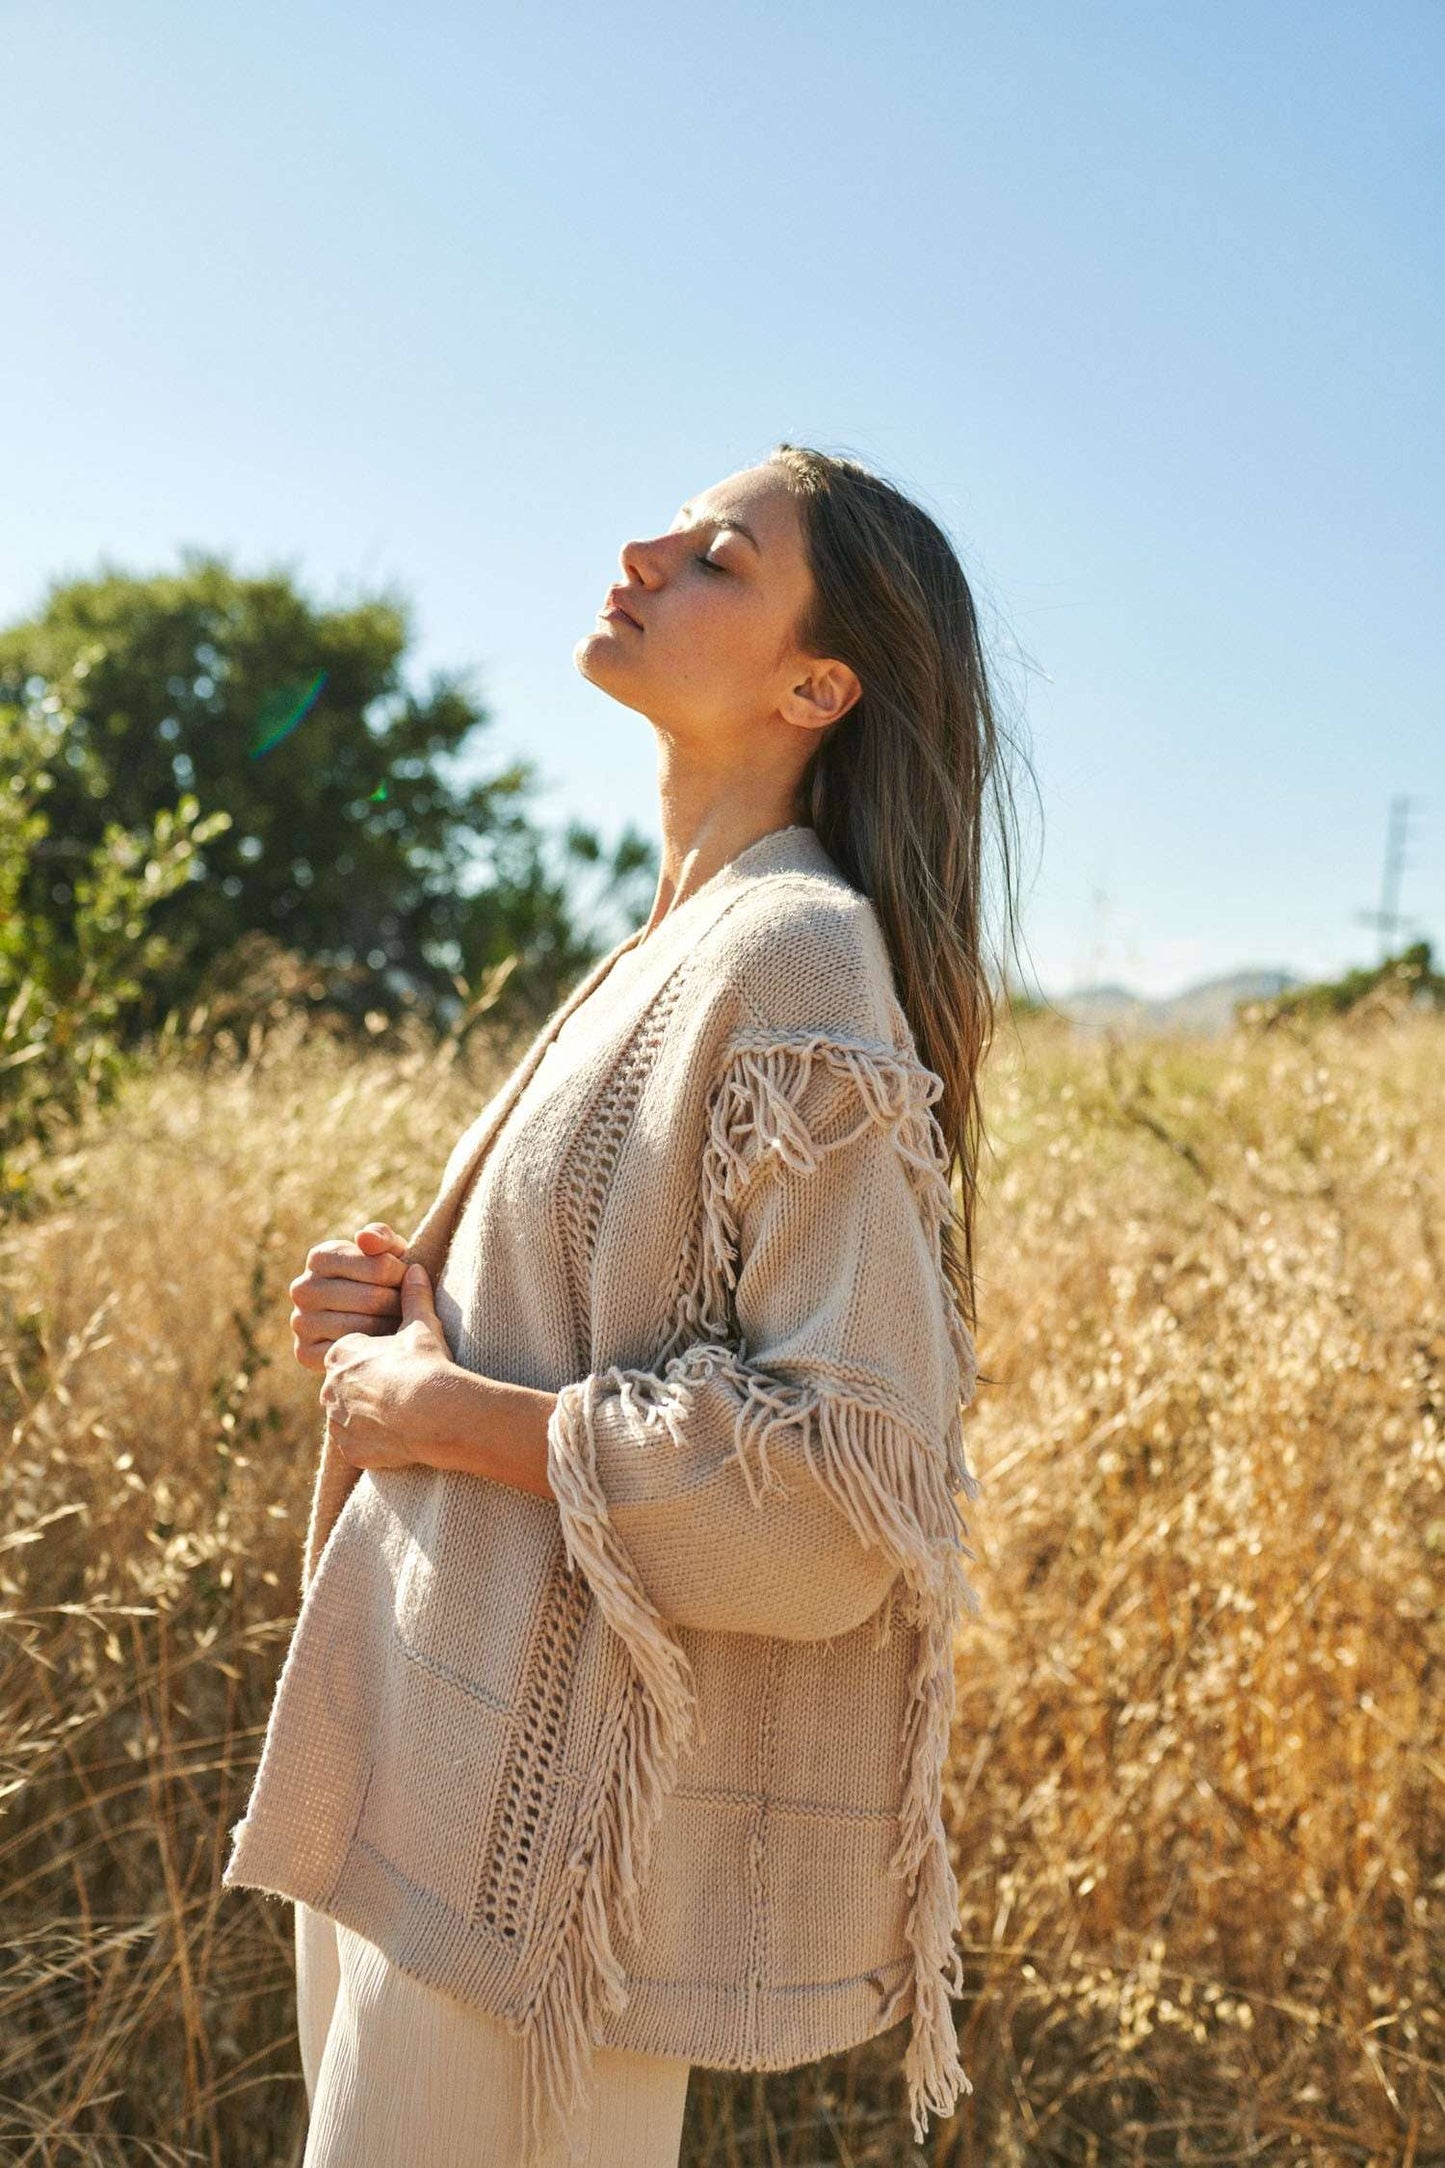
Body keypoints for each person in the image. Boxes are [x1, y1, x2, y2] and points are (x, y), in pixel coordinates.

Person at [222, 441, 1029, 2167]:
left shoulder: (795, 952)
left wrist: (443, 1415)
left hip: (540, 1874)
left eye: (719, 557)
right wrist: (404, 1319)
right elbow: (604, 1327)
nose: (645, 550)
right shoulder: (676, 936)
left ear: (820, 685)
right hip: (441, 1788)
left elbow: (836, 1485)